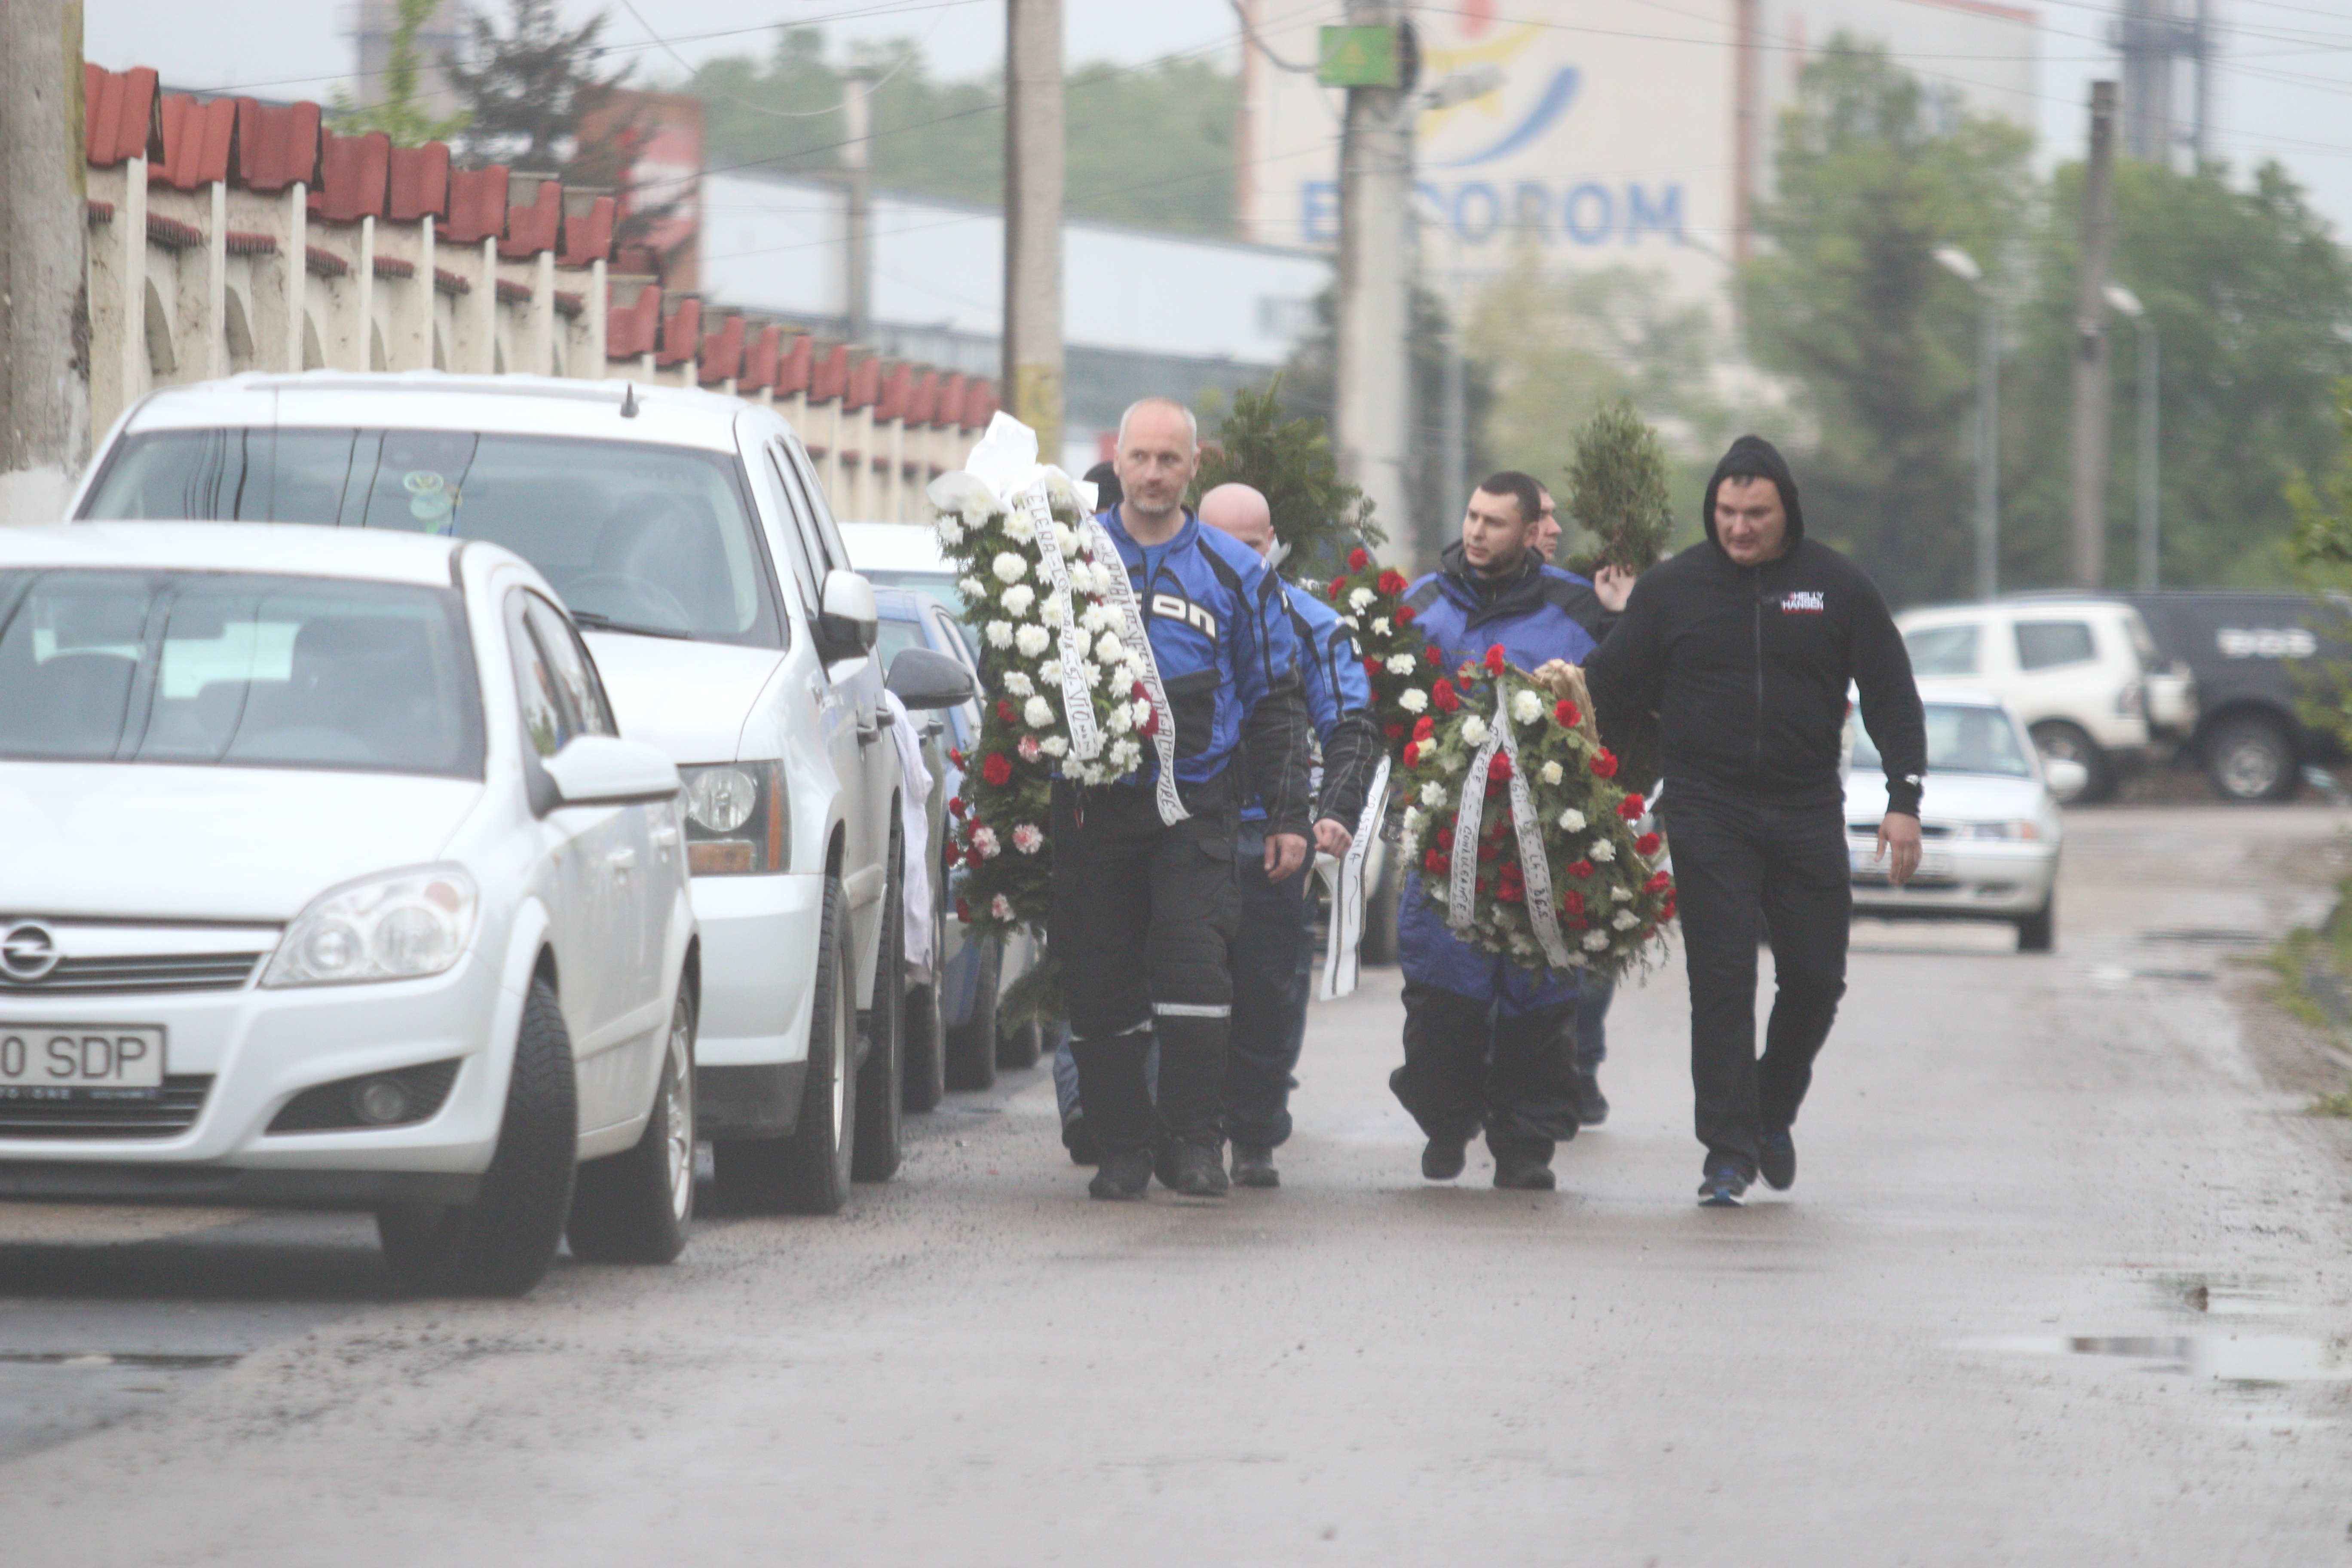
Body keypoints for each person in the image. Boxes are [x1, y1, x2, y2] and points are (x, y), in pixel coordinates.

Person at [1582, 435, 1926, 1207]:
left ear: (1786, 512)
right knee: (1724, 978)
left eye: (1756, 514)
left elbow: (1892, 694)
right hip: (1709, 805)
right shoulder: (1674, 589)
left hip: (1807, 807)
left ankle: (1773, 1109)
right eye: (1727, 513)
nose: (1739, 528)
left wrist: (1904, 801)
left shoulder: (1835, 586)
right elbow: (1607, 689)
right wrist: (1542, 742)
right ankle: (1728, 1153)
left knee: (1815, 978)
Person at [1049, 398, 1314, 1201]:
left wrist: (1290, 815)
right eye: (1142, 459)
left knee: (1197, 972)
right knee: (1100, 983)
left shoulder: (1234, 571)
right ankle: (1123, 1146)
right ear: (1118, 460)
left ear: (1196, 466)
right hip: (1096, 809)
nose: (1155, 474)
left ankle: (1195, 1142)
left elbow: (1276, 701)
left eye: (1171, 460)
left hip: (1196, 805)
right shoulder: (1070, 560)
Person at [1391, 471, 1603, 1191]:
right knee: (1442, 1002)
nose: (1478, 533)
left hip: (1543, 839)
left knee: (1538, 999)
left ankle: (1526, 1145)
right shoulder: (1421, 606)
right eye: (1472, 517)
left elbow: (1624, 707)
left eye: (1495, 523)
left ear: (1529, 531)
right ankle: (1446, 1121)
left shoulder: (1578, 608)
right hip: (1447, 842)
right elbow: (1387, 706)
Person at [1196, 481, 1383, 1188]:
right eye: (1218, 545)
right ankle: (1188, 1127)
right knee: (1181, 983)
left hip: (1274, 839)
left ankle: (1255, 1132)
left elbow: (1352, 727)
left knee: (1269, 994)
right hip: (1184, 833)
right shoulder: (1164, 616)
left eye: (1250, 547)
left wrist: (1331, 812)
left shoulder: (1313, 625)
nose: (1236, 561)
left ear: (1272, 544)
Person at [1529, 481, 1624, 1128]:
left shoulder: (1578, 602)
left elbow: (1625, 681)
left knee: (1592, 938)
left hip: (1581, 798)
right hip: (1498, 796)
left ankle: (1581, 1063)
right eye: (1542, 517)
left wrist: (1620, 615)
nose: (1556, 529)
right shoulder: (1450, 600)